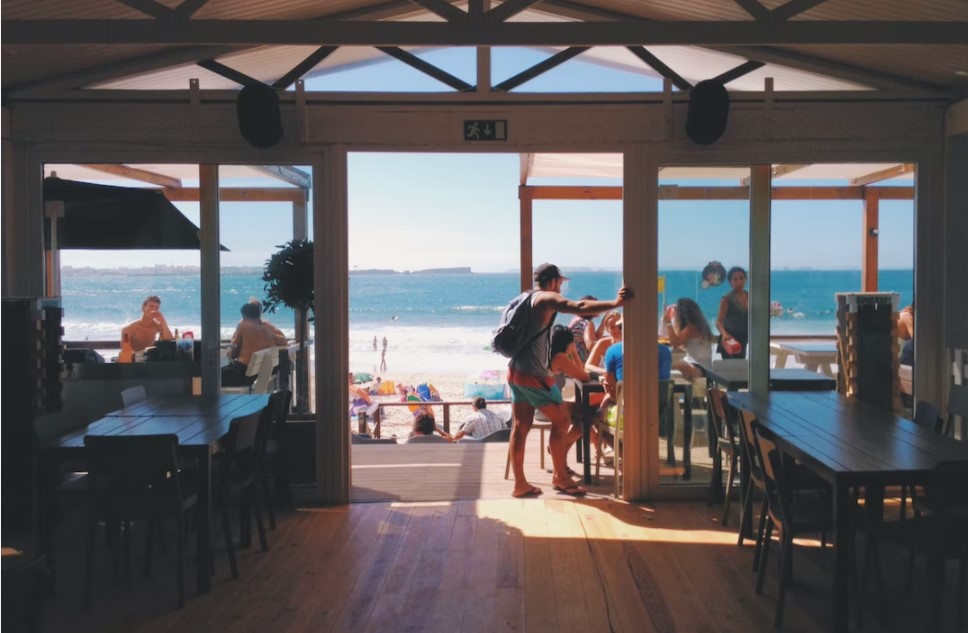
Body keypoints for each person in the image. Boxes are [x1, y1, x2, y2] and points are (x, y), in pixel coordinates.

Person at [507, 262, 631, 498]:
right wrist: (615, 304)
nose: (561, 290)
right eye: (560, 284)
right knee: (563, 420)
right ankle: (561, 477)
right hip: (534, 373)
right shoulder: (545, 299)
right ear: (553, 281)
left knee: (521, 427)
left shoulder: (524, 298)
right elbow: (579, 306)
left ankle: (520, 484)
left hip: (515, 371)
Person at [221, 300, 287, 387]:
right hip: (258, 372)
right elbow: (284, 342)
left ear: (244, 316)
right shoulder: (268, 326)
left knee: (210, 375)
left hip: (244, 373)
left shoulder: (243, 325)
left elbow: (234, 352)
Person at [663, 297, 714, 379]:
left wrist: (669, 323)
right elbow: (680, 340)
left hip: (698, 367)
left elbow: (675, 343)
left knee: (677, 365)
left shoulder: (690, 328)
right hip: (706, 367)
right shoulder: (701, 327)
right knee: (675, 365)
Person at [716, 266, 749, 359]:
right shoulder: (727, 298)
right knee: (731, 370)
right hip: (730, 340)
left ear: (746, 279)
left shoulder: (749, 296)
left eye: (741, 278)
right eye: (735, 279)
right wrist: (724, 334)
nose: (739, 282)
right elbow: (718, 322)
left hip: (743, 339)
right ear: (730, 282)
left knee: (741, 368)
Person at [584, 311, 623, 376]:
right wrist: (606, 372)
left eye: (619, 327)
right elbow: (588, 366)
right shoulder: (602, 343)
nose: (617, 330)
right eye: (612, 327)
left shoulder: (631, 343)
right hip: (605, 381)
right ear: (607, 329)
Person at [567, 296, 600, 362]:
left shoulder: (576, 320)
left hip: (570, 359)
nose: (600, 308)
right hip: (580, 363)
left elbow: (595, 336)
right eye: (597, 306)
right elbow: (590, 345)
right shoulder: (587, 324)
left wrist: (603, 323)